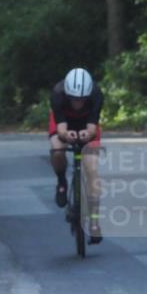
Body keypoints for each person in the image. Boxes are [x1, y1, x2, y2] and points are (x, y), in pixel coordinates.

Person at [49, 67, 104, 244]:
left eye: (82, 99)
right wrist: (66, 136)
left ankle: (94, 222)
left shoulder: (96, 94)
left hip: (86, 122)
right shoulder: (57, 93)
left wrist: (87, 135)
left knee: (92, 169)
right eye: (73, 99)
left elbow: (92, 128)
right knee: (57, 150)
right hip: (64, 122)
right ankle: (61, 181)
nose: (78, 103)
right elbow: (61, 130)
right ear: (67, 94)